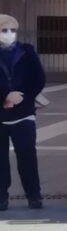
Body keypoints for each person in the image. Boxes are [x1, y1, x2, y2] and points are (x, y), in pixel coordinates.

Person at [0, 14, 46, 211]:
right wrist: (5, 97)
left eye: (13, 30)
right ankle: (1, 197)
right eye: (4, 30)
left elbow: (38, 78)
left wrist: (22, 97)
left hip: (23, 112)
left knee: (27, 156)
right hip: (1, 112)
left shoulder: (27, 51)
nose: (9, 34)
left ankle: (34, 195)